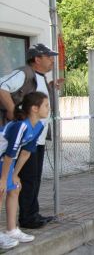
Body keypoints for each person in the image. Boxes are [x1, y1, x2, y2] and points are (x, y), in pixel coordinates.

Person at [0, 43, 62, 229]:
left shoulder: (39, 77)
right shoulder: (24, 73)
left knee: (34, 177)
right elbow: (2, 86)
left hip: (36, 137)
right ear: (37, 59)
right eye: (49, 56)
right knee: (27, 178)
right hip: (23, 138)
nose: (52, 60)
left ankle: (32, 214)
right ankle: (27, 218)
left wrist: (50, 87)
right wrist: (12, 111)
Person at [0, 92, 49, 249]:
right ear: (34, 108)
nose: (49, 109)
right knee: (0, 191)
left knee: (14, 189)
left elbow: (26, 153)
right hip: (4, 158)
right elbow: (9, 155)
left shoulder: (39, 126)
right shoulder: (21, 126)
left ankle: (11, 230)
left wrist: (14, 176)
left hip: (5, 160)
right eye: (46, 106)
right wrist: (3, 179)